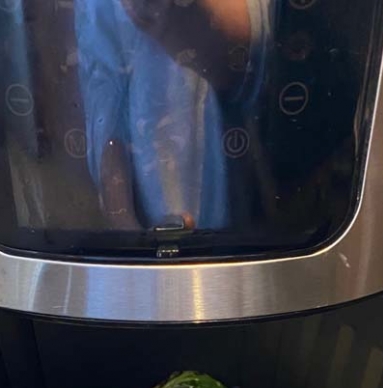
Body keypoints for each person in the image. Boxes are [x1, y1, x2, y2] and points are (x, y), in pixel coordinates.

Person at [75, 0, 271, 232]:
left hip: (239, 192)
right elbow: (103, 90)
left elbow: (252, 59)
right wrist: (124, 223)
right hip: (147, 196)